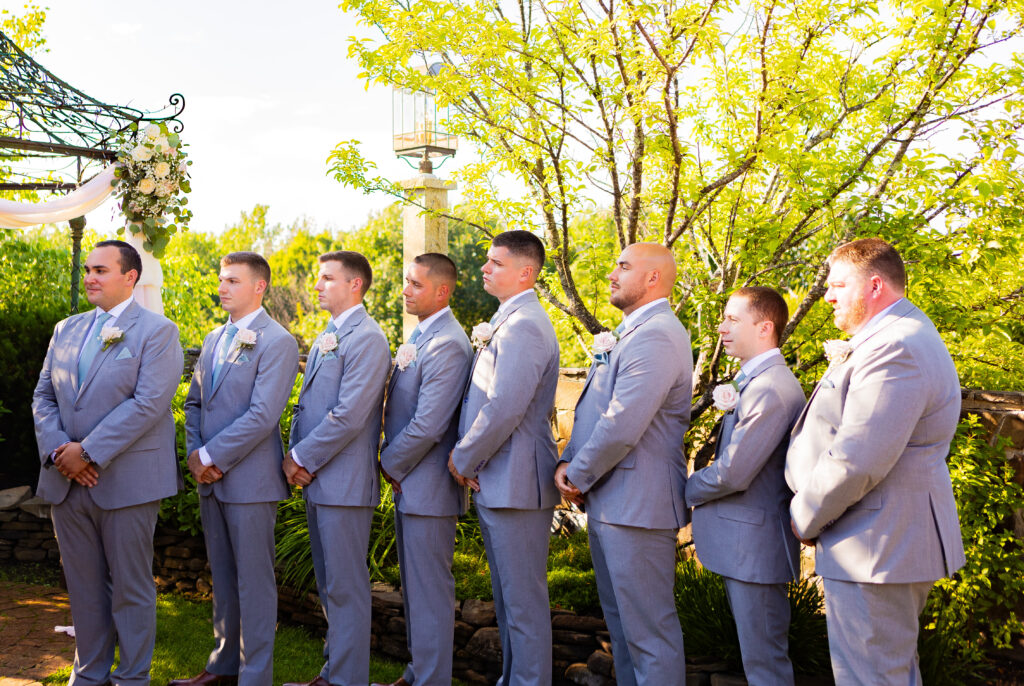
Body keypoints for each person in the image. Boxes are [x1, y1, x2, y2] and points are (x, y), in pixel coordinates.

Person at [785, 238, 965, 685]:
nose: (827, 296)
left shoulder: (895, 346)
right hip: (880, 540)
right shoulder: (896, 334)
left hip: (877, 544)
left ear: (876, 286)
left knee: (871, 677)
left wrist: (806, 516)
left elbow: (859, 458)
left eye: (838, 285)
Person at [32, 239, 184, 686]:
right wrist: (62, 451)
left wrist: (88, 452)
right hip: (67, 481)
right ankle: (89, 674)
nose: (90, 278)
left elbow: (149, 403)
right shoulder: (66, 329)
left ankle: (132, 677)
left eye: (101, 270)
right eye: (87, 271)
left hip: (128, 482)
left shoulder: (158, 332)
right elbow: (44, 395)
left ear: (130, 277)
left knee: (131, 589)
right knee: (82, 588)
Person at [555, 242, 691, 686]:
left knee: (650, 635)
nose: (612, 274)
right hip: (613, 502)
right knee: (624, 633)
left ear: (653, 278)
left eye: (624, 266)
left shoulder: (658, 334)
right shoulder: (632, 331)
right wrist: (569, 457)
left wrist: (575, 474)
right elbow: (594, 408)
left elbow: (622, 423)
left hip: (639, 504)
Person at [170, 252, 299, 686]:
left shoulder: (277, 341)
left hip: (252, 482)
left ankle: (255, 674)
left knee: (254, 582)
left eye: (232, 280)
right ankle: (222, 666)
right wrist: (194, 454)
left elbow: (263, 415)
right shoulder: (212, 338)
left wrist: (210, 458)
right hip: (210, 480)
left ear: (259, 286)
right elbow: (193, 403)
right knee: (222, 578)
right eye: (221, 279)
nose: (222, 287)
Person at [448, 230, 560, 686]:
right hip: (502, 479)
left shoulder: (526, 325)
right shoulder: (509, 319)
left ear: (525, 273)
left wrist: (463, 458)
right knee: (509, 599)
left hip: (517, 480)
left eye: (495, 262)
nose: (484, 269)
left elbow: (505, 407)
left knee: (523, 603)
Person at [685, 287, 805, 686]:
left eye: (733, 320)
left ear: (765, 327)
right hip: (745, 547)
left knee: (765, 664)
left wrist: (686, 488)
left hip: (757, 548)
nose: (721, 328)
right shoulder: (755, 380)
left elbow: (735, 472)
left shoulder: (771, 387)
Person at [282, 250, 391, 686]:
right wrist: (296, 457)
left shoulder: (368, 337)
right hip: (319, 480)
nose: (318, 285)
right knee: (331, 587)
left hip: (342, 482)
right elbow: (308, 404)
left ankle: (346, 680)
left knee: (346, 587)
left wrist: (299, 458)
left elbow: (349, 415)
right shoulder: (332, 331)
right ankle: (333, 672)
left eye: (328, 278)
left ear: (355, 285)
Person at [373, 253, 473, 686]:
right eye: (406, 282)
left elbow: (430, 424)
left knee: (430, 591)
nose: (406, 290)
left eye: (415, 284)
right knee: (415, 590)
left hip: (427, 484)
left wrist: (388, 463)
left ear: (442, 291)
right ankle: (417, 673)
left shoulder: (449, 342)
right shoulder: (422, 335)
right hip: (411, 485)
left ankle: (432, 680)